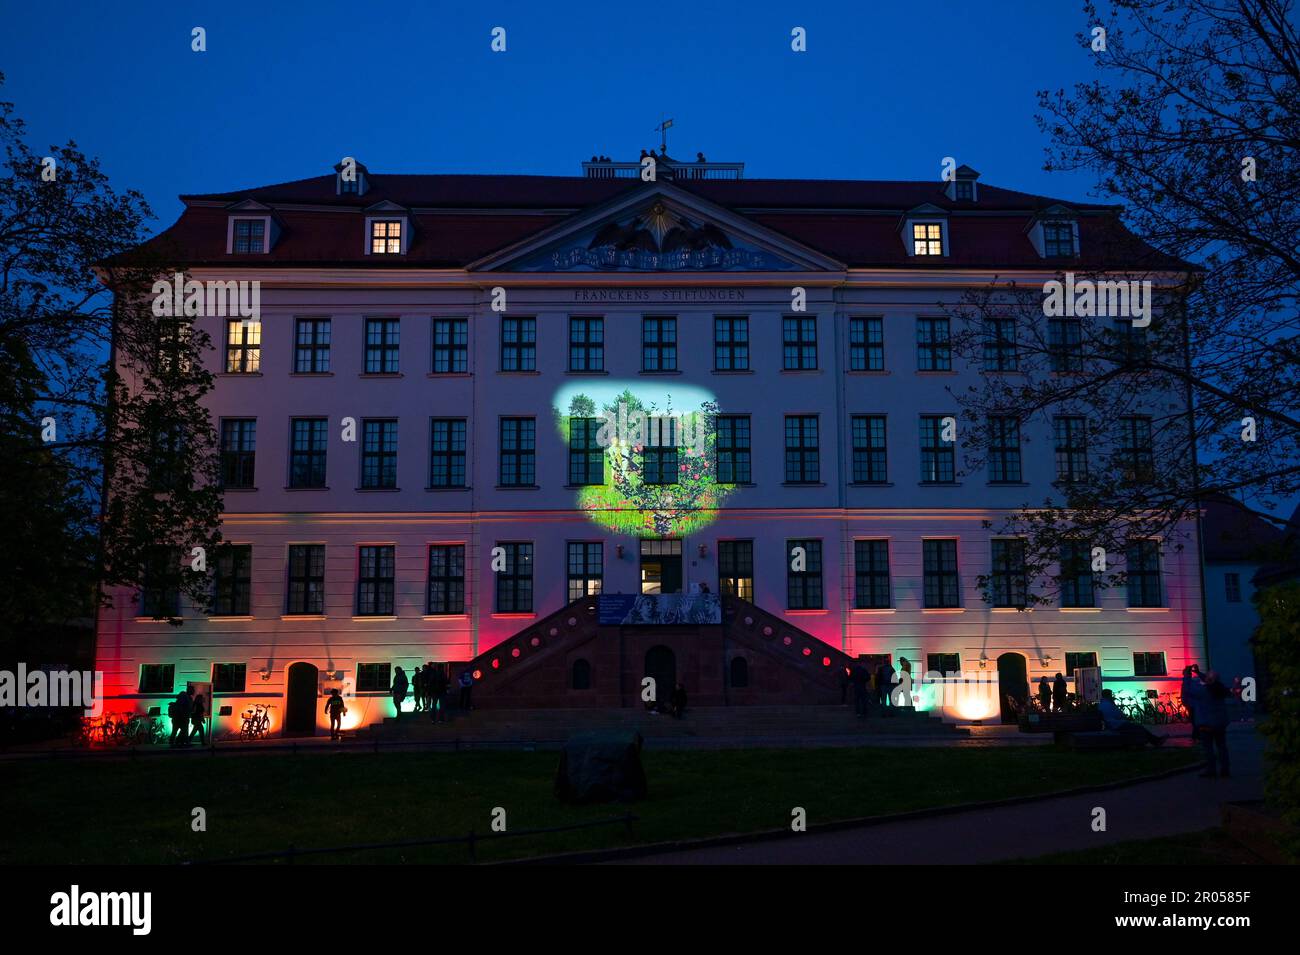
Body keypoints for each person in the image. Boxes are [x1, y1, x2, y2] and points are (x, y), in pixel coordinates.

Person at [1195, 671, 1232, 778]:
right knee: (1222, 747)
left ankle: (1211, 770)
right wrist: (1198, 673)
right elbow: (1210, 680)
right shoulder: (1221, 689)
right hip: (1220, 723)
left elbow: (1189, 690)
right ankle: (1225, 769)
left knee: (1208, 748)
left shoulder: (1203, 691)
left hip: (1206, 724)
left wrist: (1187, 676)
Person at [1098, 689, 1164, 747]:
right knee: (1139, 727)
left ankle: (1154, 740)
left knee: (1138, 727)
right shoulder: (1108, 704)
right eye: (1111, 694)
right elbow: (1118, 715)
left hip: (1113, 724)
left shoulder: (1102, 704)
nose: (1112, 696)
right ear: (1108, 695)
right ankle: (1155, 741)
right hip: (1117, 724)